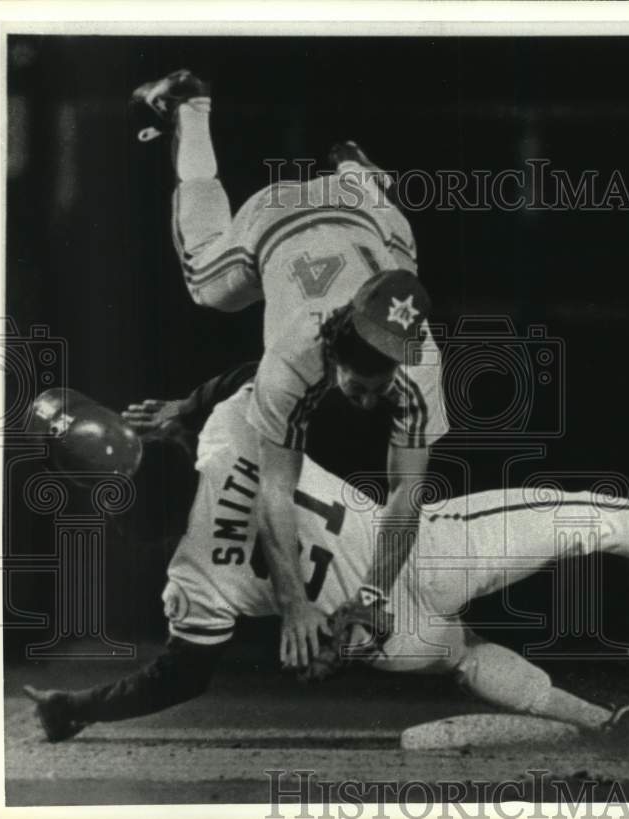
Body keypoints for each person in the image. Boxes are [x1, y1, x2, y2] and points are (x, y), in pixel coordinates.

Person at [24, 386, 629, 743]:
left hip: (380, 635)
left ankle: (599, 723)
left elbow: (181, 677)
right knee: (591, 516)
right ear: (133, 433)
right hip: (414, 549)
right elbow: (269, 366)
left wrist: (80, 705)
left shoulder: (187, 579)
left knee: (467, 656)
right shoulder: (229, 429)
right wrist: (188, 404)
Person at [131, 70, 448, 672]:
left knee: (402, 253)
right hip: (278, 219)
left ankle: (356, 173)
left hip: (364, 221)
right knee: (207, 284)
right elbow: (272, 490)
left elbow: (408, 490)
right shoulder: (293, 357)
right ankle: (190, 105)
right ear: (333, 357)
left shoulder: (420, 355)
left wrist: (375, 595)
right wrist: (293, 602)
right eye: (358, 387)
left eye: (380, 386)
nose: (364, 402)